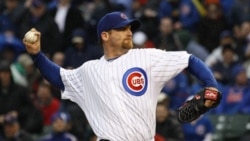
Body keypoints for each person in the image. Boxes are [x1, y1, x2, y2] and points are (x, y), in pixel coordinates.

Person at [23, 11, 221, 141]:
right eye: (122, 29)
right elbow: (59, 78)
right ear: (105, 35)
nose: (129, 32)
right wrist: (37, 55)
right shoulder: (89, 70)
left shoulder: (146, 57)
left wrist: (211, 85)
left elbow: (189, 60)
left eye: (130, 28)